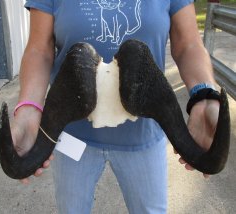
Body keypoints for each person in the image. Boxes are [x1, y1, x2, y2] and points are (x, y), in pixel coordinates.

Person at [11, 0, 220, 213]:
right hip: (73, 135)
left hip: (144, 134)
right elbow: (39, 50)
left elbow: (189, 44)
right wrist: (28, 109)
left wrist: (204, 96)